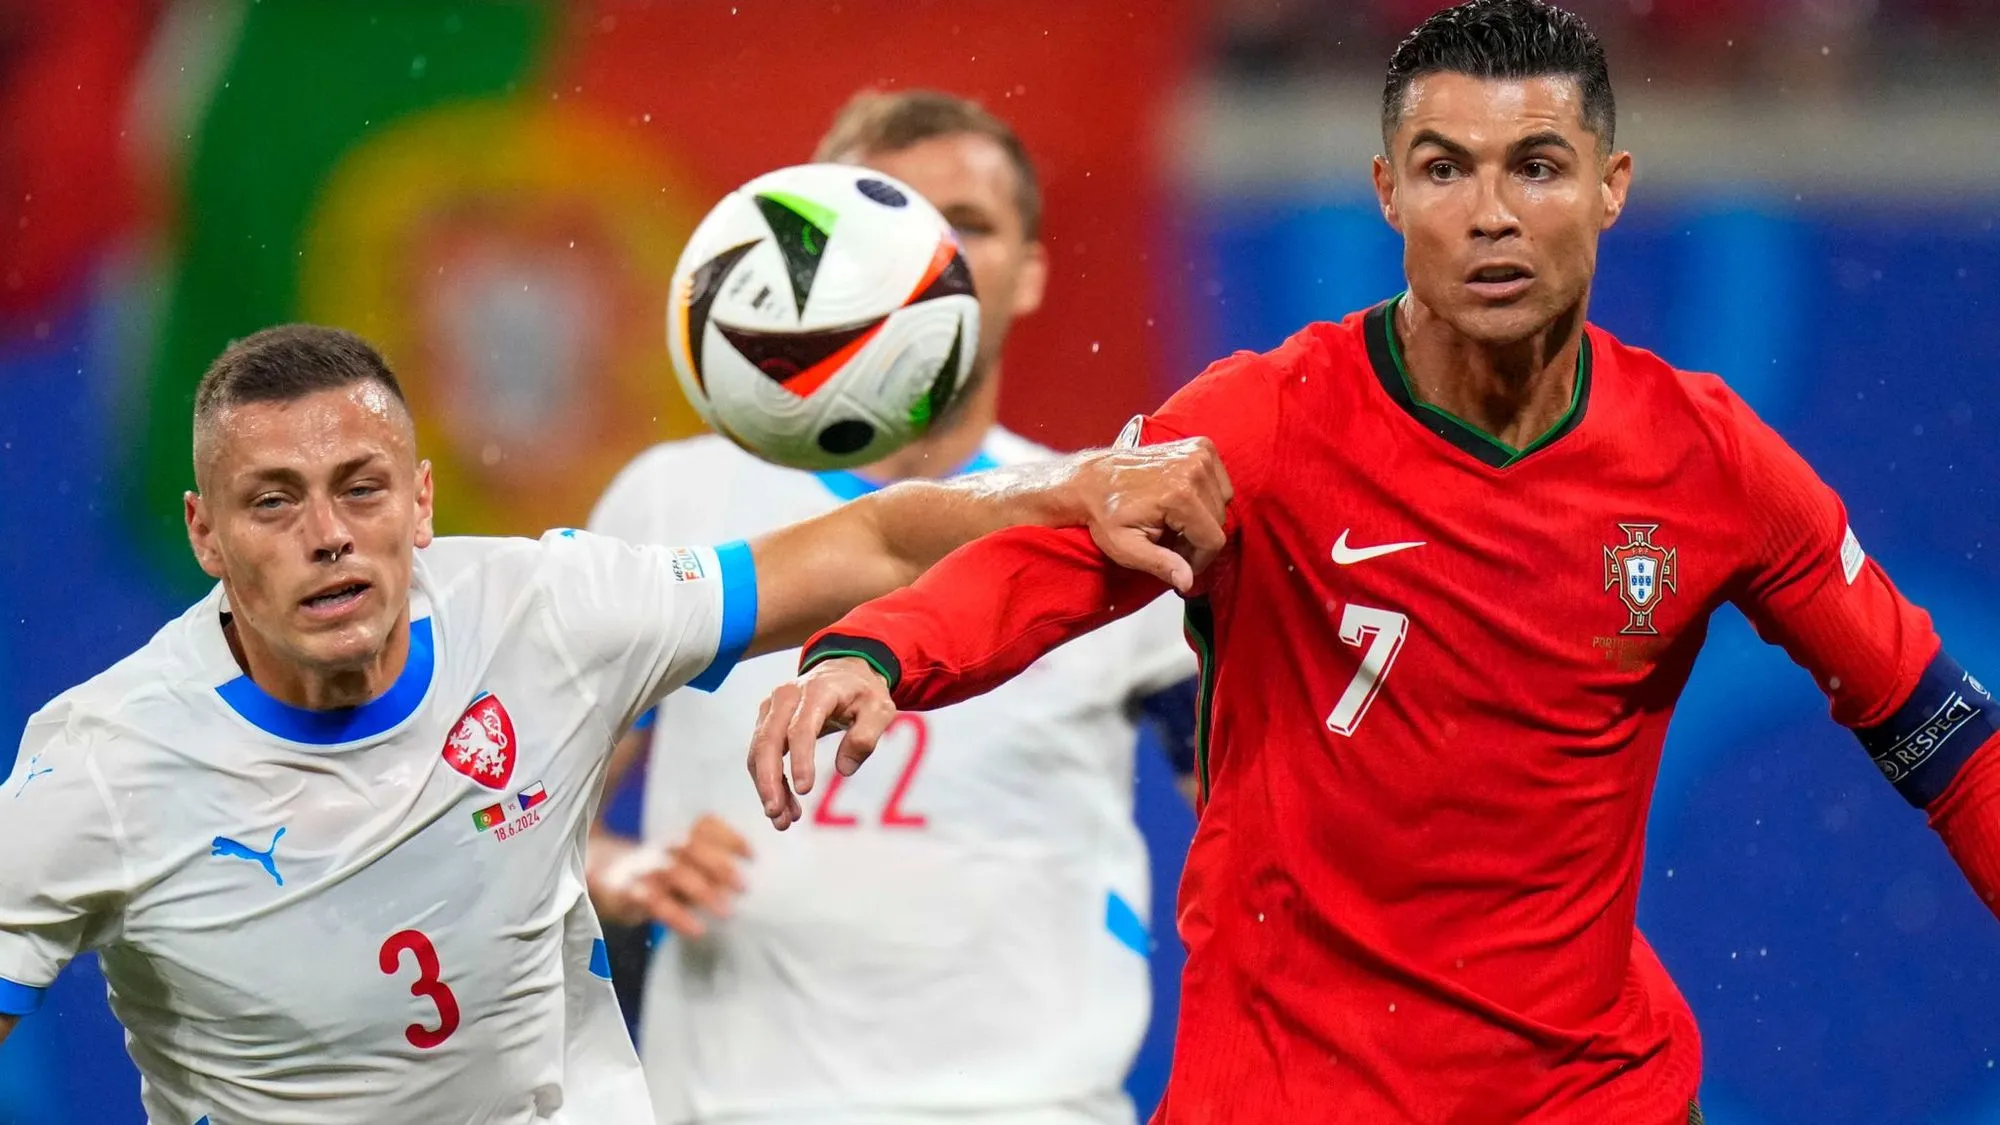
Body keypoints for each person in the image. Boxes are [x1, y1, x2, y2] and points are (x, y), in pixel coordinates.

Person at [749, 3, 2000, 1122]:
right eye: (1444, 169)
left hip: (1586, 1091)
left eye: (1537, 167)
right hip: (1289, 1087)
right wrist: (881, 650)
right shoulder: (1264, 419)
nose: (1491, 213)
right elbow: (1059, 562)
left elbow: (1941, 735)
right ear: (1386, 193)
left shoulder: (1707, 460)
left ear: (1611, 186)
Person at [0, 323, 1228, 1125]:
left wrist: (1063, 487)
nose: (327, 534)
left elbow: (866, 536)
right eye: (272, 502)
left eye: (360, 487)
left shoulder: (550, 613)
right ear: (204, 534)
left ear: (419, 502)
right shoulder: (103, 768)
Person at [585, 89, 1200, 1125]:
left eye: (967, 224)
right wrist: (618, 870)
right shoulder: (671, 501)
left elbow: (1262, 825)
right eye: (892, 220)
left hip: (1029, 1108)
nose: (930, 259)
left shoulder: (1108, 520)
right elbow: (520, 808)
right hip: (732, 1106)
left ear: (1034, 270)